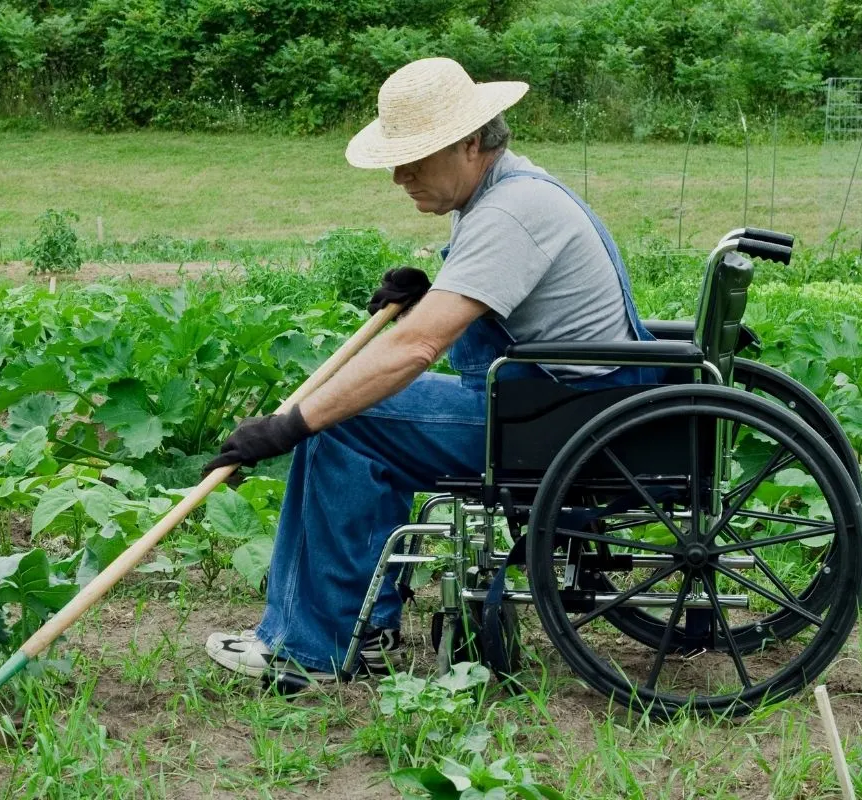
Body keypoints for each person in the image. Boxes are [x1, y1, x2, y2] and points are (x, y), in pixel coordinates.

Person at [203, 57, 655, 684]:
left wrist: (290, 424)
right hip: (551, 405)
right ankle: (364, 626)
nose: (398, 175)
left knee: (342, 421)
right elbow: (482, 304)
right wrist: (431, 290)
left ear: (471, 144)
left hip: (559, 422)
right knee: (348, 412)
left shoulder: (509, 214)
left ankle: (319, 648)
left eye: (415, 157)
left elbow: (417, 348)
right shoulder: (509, 191)